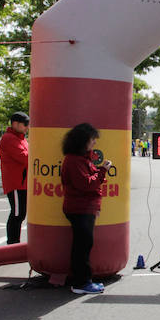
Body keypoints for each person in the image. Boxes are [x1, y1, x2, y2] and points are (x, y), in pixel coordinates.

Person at [60, 123, 112, 295]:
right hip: (80, 208)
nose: (94, 143)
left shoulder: (79, 159)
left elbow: (88, 181)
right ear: (83, 141)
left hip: (83, 208)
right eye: (92, 140)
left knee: (82, 245)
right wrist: (103, 171)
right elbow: (87, 184)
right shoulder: (75, 161)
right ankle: (82, 282)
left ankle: (82, 281)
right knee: (83, 246)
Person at [0, 112, 30, 245]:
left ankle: (13, 243)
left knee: (20, 213)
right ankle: (12, 243)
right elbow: (25, 157)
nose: (27, 127)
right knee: (17, 214)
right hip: (16, 183)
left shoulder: (20, 138)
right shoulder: (9, 138)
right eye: (25, 125)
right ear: (15, 124)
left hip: (22, 183)